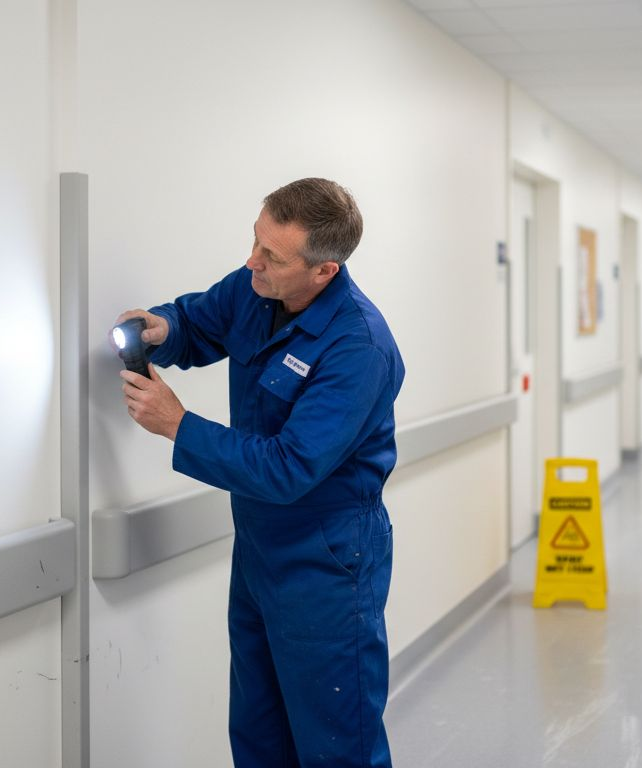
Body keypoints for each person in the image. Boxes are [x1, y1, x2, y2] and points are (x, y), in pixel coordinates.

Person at [115, 177, 404, 767]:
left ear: (323, 271)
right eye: (255, 240)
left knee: (333, 743)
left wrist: (178, 425)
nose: (253, 261)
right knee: (258, 734)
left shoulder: (358, 347)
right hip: (258, 550)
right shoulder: (257, 288)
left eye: (271, 255)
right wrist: (162, 327)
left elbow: (288, 467)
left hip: (326, 561)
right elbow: (199, 320)